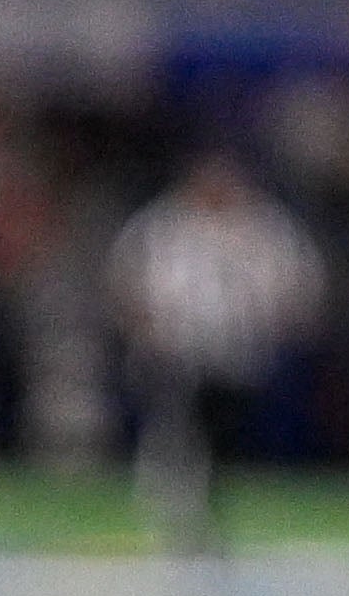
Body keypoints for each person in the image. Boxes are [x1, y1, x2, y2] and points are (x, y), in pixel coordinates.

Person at [100, 146, 321, 556]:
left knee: (222, 441)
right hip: (174, 354)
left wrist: (266, 334)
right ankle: (169, 501)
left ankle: (206, 508)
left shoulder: (265, 228)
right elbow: (126, 286)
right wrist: (152, 335)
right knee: (175, 432)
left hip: (238, 357)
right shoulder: (161, 226)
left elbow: (296, 290)